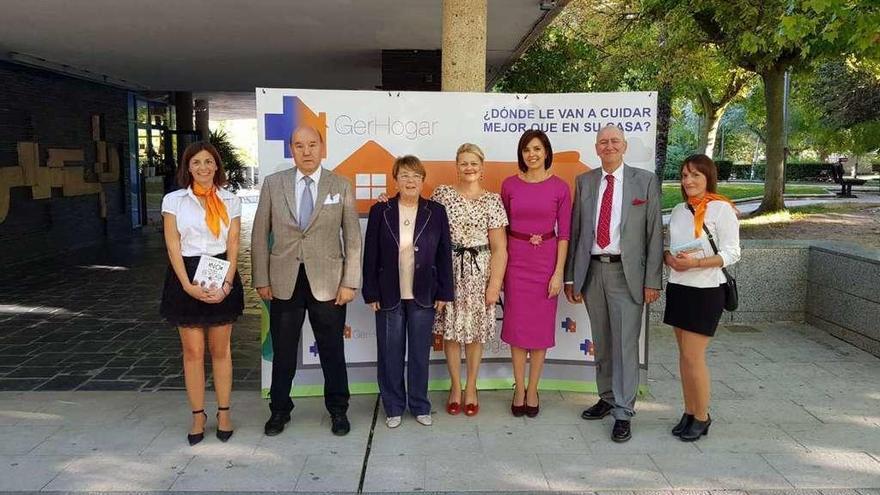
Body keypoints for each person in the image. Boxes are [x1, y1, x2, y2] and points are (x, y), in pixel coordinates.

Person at [251, 125, 362, 437]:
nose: (307, 151)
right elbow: (259, 234)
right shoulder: (274, 184)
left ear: (322, 147)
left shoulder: (339, 184)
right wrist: (261, 277)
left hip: (328, 282)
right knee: (284, 350)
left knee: (332, 350)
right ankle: (279, 410)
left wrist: (349, 281)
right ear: (291, 149)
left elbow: (353, 238)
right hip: (284, 281)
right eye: (299, 145)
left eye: (312, 144)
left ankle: (338, 410)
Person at [564, 125, 663, 443]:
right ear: (596, 148)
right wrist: (571, 276)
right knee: (603, 342)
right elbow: (577, 231)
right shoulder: (585, 181)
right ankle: (606, 398)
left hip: (627, 275)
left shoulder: (644, 181)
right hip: (592, 272)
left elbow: (654, 236)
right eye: (603, 142)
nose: (609, 146)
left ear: (624, 146)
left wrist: (652, 280)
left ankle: (623, 411)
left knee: (625, 346)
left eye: (614, 141)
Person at [159, 141, 244, 446]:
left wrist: (227, 284)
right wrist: (186, 284)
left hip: (221, 270)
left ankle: (223, 412)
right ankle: (198, 415)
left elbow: (233, 244)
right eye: (196, 162)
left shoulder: (230, 200)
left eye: (209, 162)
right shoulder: (174, 201)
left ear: (217, 166)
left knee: (221, 350)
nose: (203, 168)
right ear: (188, 167)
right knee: (193, 352)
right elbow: (172, 244)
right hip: (186, 273)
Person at [363, 155, 454, 429]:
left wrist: (444, 292)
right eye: (404, 175)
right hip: (389, 293)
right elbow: (371, 255)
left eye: (416, 175)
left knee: (418, 354)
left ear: (423, 180)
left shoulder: (435, 211)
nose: (410, 180)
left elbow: (444, 254)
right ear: (396, 180)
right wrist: (371, 292)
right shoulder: (381, 210)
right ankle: (393, 406)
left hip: (424, 293)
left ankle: (419, 404)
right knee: (390, 353)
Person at [664, 154, 740, 442]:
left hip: (706, 290)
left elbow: (733, 252)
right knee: (683, 357)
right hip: (679, 286)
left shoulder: (721, 209)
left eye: (695, 175)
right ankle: (688, 410)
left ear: (708, 177)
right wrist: (669, 257)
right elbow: (673, 247)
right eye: (684, 175)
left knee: (695, 357)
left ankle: (703, 415)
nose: (688, 181)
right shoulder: (679, 210)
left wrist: (695, 264)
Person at [433, 143, 508, 416]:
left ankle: (472, 387)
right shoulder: (441, 195)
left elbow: (500, 247)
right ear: (456, 166)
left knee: (475, 334)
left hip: (480, 273)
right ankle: (455, 387)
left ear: (482, 167)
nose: (469, 168)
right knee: (452, 333)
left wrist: (494, 285)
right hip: (450, 271)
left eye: (474, 163)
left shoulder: (493, 201)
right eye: (464, 163)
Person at [500, 130, 571, 418]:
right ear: (521, 154)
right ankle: (519, 389)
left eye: (538, 149)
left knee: (540, 333)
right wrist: (501, 271)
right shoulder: (509, 185)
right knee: (517, 331)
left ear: (546, 152)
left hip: (546, 263)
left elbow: (564, 234)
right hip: (516, 262)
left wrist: (558, 273)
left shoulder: (560, 187)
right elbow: (500, 232)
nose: (532, 154)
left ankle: (533, 389)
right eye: (527, 149)